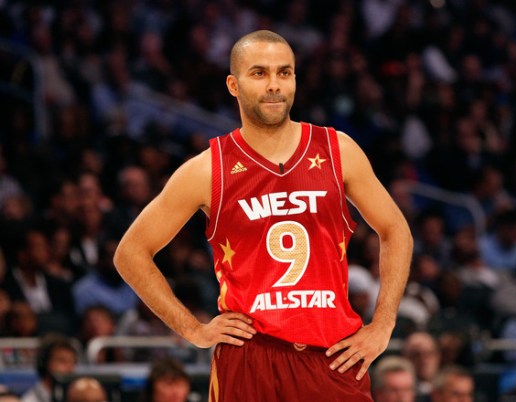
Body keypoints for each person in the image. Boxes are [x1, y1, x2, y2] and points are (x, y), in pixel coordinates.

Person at [114, 29, 413, 402]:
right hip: (250, 357)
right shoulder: (207, 169)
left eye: (284, 72)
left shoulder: (338, 150)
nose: (274, 84)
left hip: (334, 356)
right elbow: (130, 253)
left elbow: (396, 229)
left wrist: (384, 325)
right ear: (233, 85)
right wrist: (192, 329)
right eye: (259, 73)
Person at [21, 333, 78, 402]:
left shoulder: (76, 396)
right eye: (62, 361)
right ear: (45, 363)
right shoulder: (30, 399)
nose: (69, 366)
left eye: (72, 362)